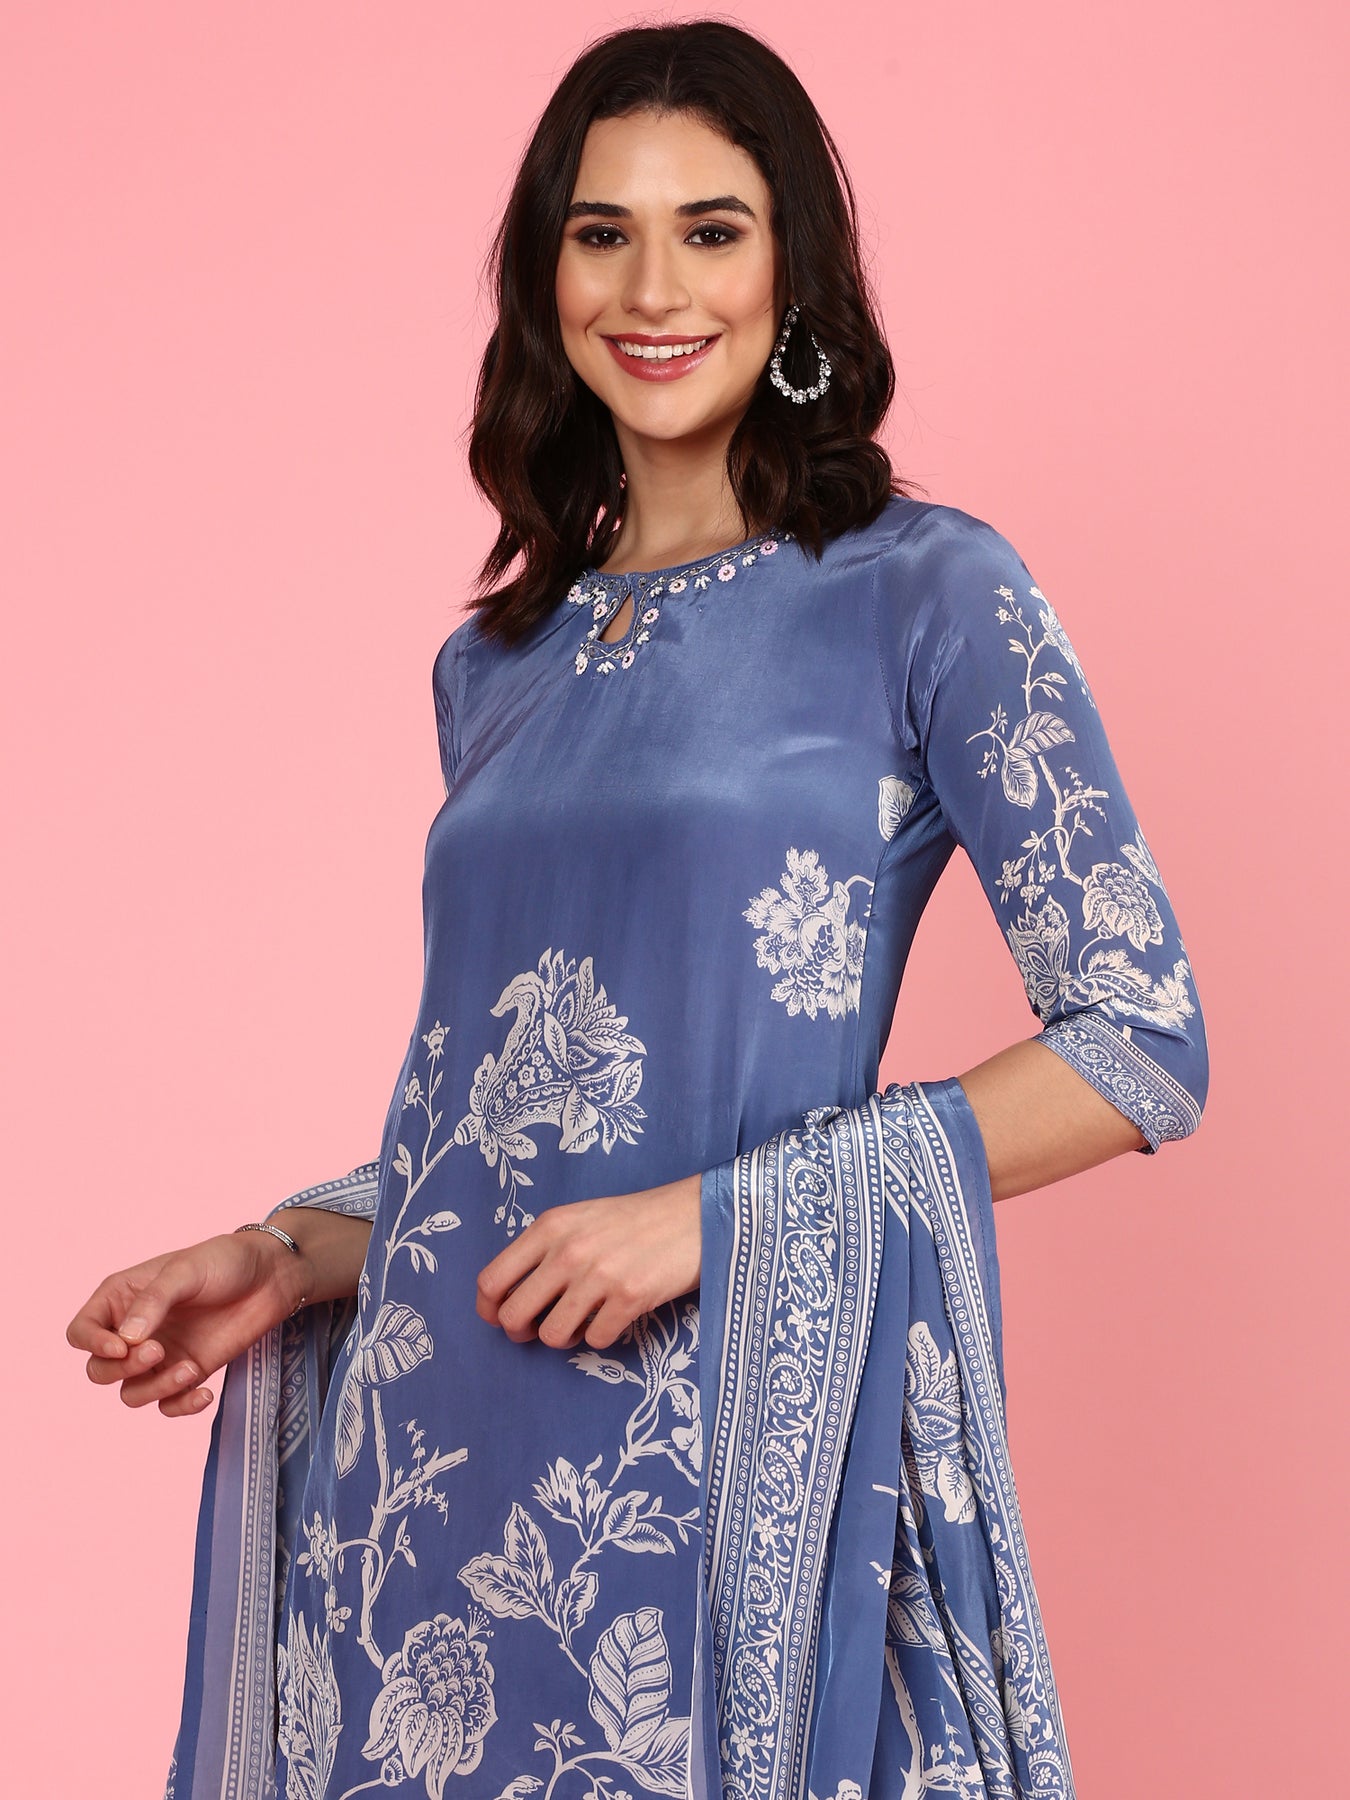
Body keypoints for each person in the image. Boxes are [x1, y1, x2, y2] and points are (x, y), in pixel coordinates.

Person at [66, 21, 1208, 1800]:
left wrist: (715, 1222)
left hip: (726, 1464)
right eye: (601, 233)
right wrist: (287, 1255)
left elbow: (1138, 1049)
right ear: (546, 275)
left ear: (792, 268)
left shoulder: (922, 593)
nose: (652, 288)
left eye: (711, 230)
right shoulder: (497, 662)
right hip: (431, 1486)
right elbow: (510, 1117)